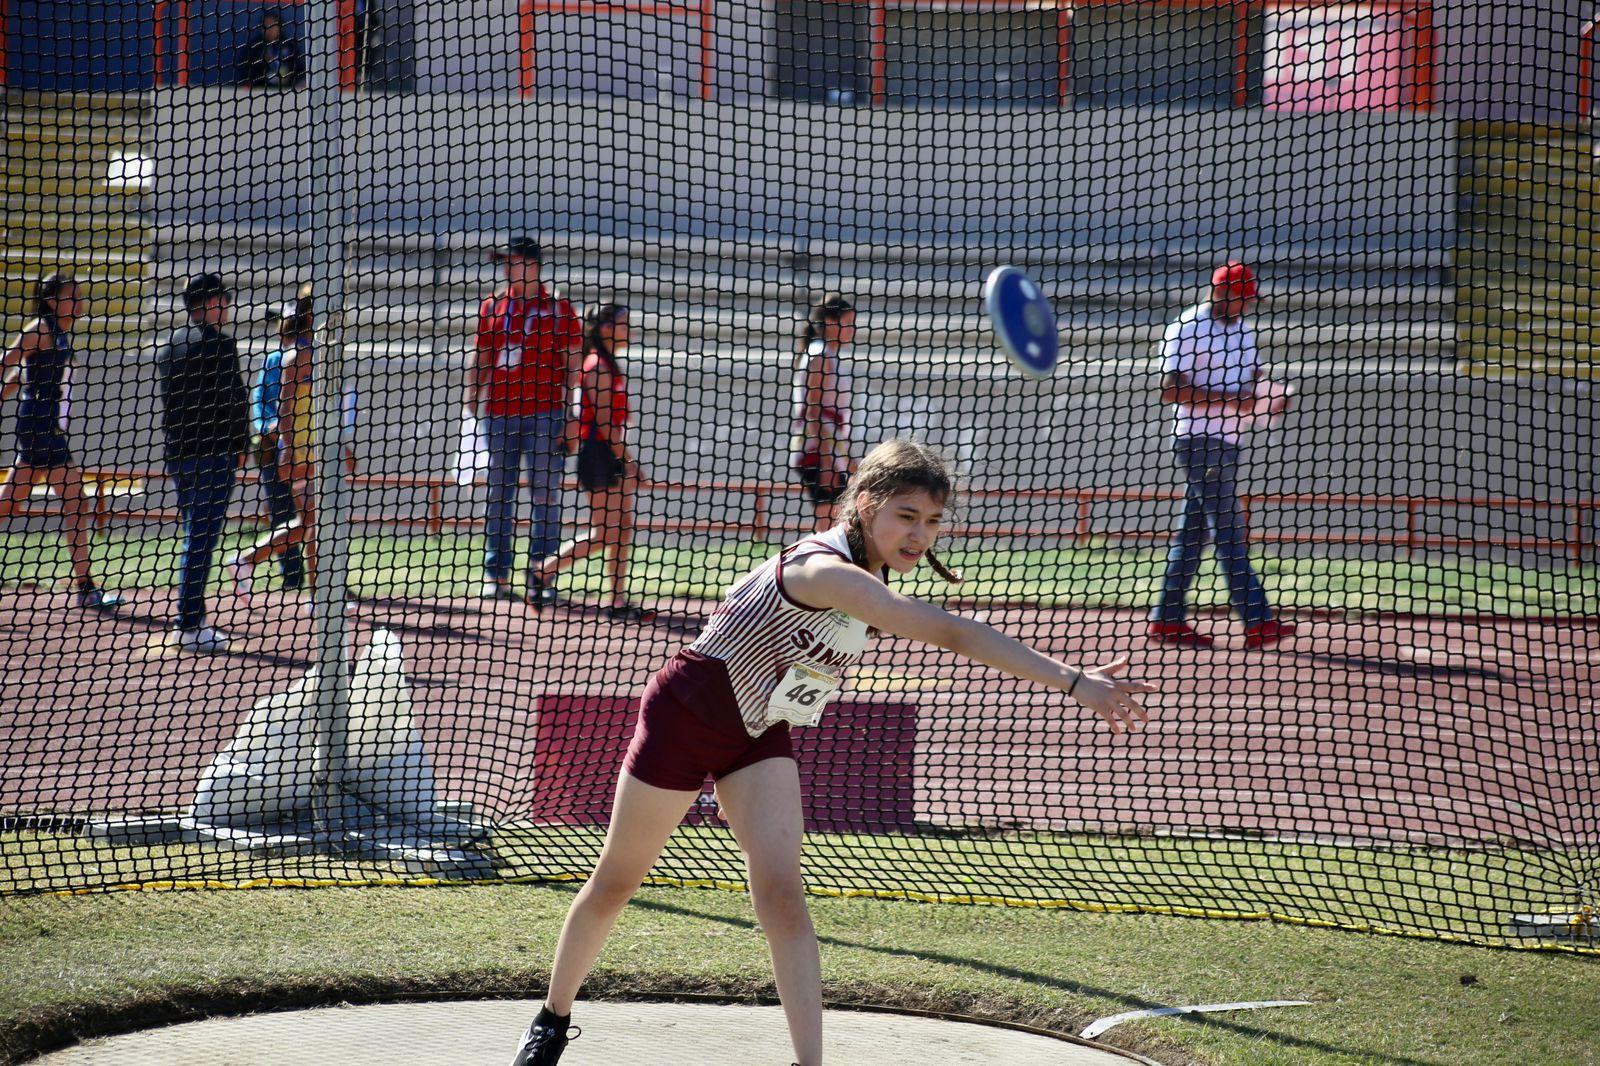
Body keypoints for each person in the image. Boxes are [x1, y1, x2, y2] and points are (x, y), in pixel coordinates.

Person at [508, 438, 1154, 1066]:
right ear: (866, 504)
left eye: (932, 521)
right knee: (618, 881)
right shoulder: (825, 570)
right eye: (906, 516)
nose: (920, 535)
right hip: (688, 713)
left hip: (759, 729)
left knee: (783, 894)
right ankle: (551, 1022)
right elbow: (954, 632)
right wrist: (1076, 681)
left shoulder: (870, 569)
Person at [1147, 260, 1296, 649]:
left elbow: (1254, 376)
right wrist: (1232, 400)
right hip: (1198, 442)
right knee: (1230, 531)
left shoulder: (1244, 331)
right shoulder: (1186, 327)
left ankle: (1167, 619)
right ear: (1220, 292)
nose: (1246, 305)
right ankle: (1257, 620)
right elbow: (1170, 390)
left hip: (1230, 442)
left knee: (1192, 536)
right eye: (1241, 298)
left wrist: (1273, 395)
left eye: (1248, 299)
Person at [465, 236, 583, 608]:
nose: (505, 268)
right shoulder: (493, 305)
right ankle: (496, 575)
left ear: (532, 265)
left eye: (511, 261)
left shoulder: (559, 309)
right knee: (498, 494)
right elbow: (482, 356)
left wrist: (572, 413)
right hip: (498, 413)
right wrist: (471, 398)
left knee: (545, 496)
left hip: (546, 414)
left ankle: (541, 575)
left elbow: (574, 366)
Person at [0, 272, 123, 610]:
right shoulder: (40, 329)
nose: (80, 302)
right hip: (41, 427)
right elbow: (7, 362)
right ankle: (86, 588)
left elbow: (21, 374)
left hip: (44, 428)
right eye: (73, 296)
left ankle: (86, 588)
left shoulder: (59, 333)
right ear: (52, 300)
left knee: (11, 505)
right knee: (76, 502)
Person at [226, 289, 355, 611]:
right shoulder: (297, 355)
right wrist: (287, 448)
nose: (338, 318)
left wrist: (341, 445)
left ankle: (255, 565)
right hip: (300, 452)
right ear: (313, 315)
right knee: (315, 522)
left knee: (314, 522)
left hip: (318, 450)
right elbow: (282, 406)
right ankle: (257, 566)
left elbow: (327, 409)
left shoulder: (325, 353)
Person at [529, 303, 654, 622]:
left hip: (610, 452)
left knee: (622, 529)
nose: (629, 330)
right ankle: (543, 570)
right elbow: (603, 423)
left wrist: (625, 458)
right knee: (606, 533)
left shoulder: (610, 364)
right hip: (598, 455)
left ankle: (617, 600)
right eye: (624, 324)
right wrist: (630, 461)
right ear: (606, 329)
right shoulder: (596, 366)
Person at [155, 273, 249, 654]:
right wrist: (242, 444)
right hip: (213, 453)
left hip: (179, 454)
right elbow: (234, 399)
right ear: (208, 303)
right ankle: (190, 623)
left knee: (194, 535)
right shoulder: (221, 345)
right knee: (201, 539)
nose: (227, 306)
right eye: (223, 299)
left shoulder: (169, 346)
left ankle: (190, 620)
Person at [243, 293, 309, 593]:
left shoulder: (313, 357)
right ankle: (292, 576)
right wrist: (269, 426)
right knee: (283, 512)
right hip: (275, 447)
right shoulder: (275, 360)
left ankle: (323, 581)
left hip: (302, 445)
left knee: (311, 516)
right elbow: (261, 399)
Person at [787, 294, 856, 532]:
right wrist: (826, 460)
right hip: (817, 450)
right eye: (847, 323)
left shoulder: (828, 354)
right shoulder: (820, 355)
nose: (852, 329)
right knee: (831, 527)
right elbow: (813, 408)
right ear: (830, 321)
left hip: (830, 447)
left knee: (838, 523)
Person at [236, 11, 305, 90]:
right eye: (265, 26)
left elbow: (299, 70)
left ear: (279, 27)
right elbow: (244, 71)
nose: (268, 29)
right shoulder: (254, 47)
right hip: (260, 91)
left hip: (285, 91)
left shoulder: (289, 46)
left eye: (272, 26)